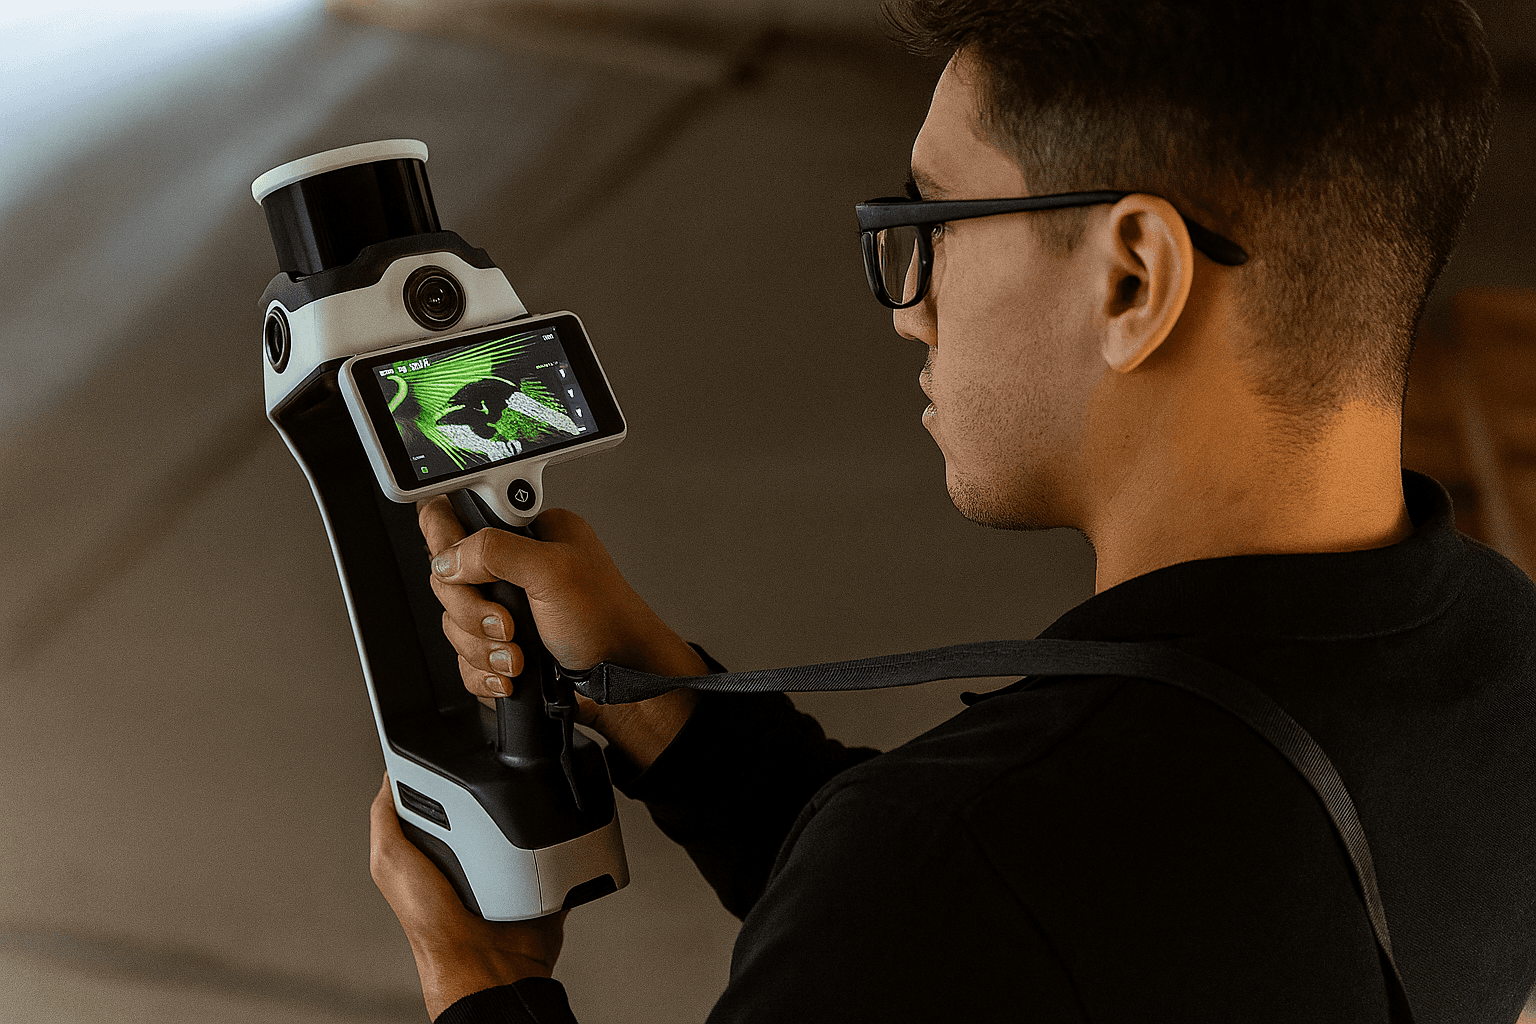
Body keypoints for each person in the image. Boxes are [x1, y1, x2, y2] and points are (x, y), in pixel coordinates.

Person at [368, 1, 1536, 1021]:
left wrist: (483, 986)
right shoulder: (1502, 653)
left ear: (1134, 279)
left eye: (932, 225)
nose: (910, 311)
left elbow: (959, 913)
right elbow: (1027, 936)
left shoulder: (956, 869)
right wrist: (652, 683)